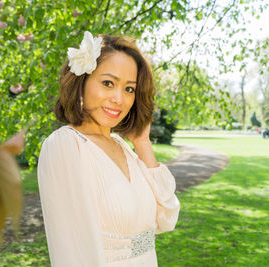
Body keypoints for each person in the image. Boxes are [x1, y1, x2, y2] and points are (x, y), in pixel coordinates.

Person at [37, 31, 180, 267]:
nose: (119, 99)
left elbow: (166, 217)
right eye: (108, 83)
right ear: (81, 82)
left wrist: (142, 142)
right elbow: (72, 249)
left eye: (129, 89)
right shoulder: (65, 145)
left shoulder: (123, 146)